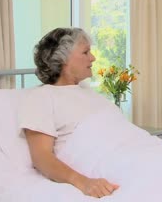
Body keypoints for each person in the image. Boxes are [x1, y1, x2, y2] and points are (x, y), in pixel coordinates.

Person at [17, 28, 119, 198]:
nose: (93, 58)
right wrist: (84, 183)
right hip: (108, 164)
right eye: (86, 52)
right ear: (63, 60)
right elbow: (42, 157)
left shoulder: (88, 93)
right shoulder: (42, 97)